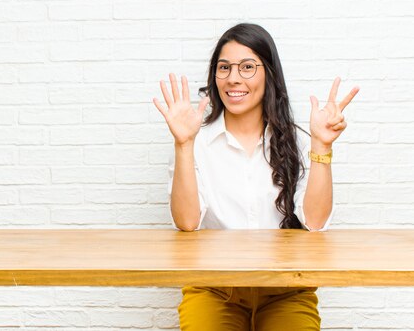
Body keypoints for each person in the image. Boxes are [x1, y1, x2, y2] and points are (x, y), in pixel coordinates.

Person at [152, 23, 359, 331]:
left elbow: (315, 222)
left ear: (269, 73)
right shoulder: (195, 141)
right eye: (224, 68)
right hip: (213, 288)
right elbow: (186, 222)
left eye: (247, 67)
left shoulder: (299, 141)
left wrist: (322, 146)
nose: (233, 78)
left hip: (286, 290)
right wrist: (183, 144)